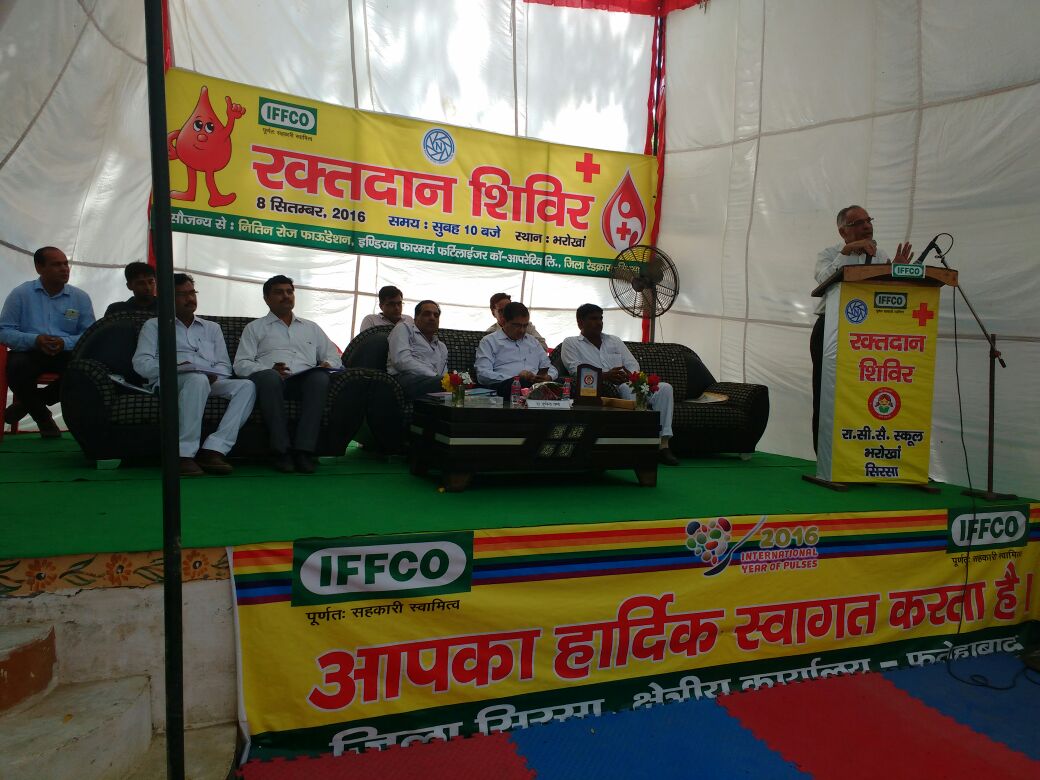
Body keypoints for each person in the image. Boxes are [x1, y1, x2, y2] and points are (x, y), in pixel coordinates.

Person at [132, 274, 256, 476]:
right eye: (182, 294)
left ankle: (214, 449)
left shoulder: (212, 328)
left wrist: (215, 376)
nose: (190, 299)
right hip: (170, 381)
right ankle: (182, 455)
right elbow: (141, 364)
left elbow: (224, 366)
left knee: (247, 386)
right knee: (196, 379)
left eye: (192, 293)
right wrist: (176, 367)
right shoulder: (154, 325)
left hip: (208, 381)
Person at [811, 206, 912, 452]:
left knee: (860, 393)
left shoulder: (880, 255)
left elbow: (886, 295)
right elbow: (823, 280)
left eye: (868, 220)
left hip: (867, 334)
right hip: (831, 329)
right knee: (827, 393)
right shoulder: (829, 254)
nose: (867, 226)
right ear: (842, 232)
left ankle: (857, 455)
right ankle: (824, 456)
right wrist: (845, 254)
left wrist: (895, 272)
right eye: (858, 223)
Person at [233, 275, 341, 474]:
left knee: (319, 378)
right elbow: (240, 364)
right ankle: (281, 451)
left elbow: (334, 357)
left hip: (303, 381)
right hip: (270, 382)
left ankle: (304, 451)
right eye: (279, 292)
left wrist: (328, 364)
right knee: (270, 378)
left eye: (289, 292)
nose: (286, 296)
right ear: (266, 298)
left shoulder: (311, 327)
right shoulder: (255, 328)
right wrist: (267, 369)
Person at [561, 303, 679, 465]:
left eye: (600, 318)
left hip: (627, 382)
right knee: (628, 390)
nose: (598, 322)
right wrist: (606, 376)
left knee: (665, 388)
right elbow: (575, 370)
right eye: (593, 319)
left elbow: (632, 363)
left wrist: (630, 376)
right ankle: (640, 445)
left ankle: (663, 445)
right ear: (580, 322)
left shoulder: (614, 341)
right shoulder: (571, 343)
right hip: (603, 387)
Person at [0, 246, 95, 437]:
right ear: (39, 268)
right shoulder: (21, 294)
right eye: (56, 264)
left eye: (65, 264)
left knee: (85, 371)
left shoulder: (80, 297)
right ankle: (43, 417)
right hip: (29, 352)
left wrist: (65, 342)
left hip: (66, 352)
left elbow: (90, 334)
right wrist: (35, 340)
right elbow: (4, 331)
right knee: (17, 367)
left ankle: (29, 405)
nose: (64, 269)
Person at [476, 301, 556, 396]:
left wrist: (548, 377)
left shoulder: (533, 342)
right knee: (521, 383)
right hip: (506, 386)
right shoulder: (489, 341)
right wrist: (516, 378)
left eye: (525, 326)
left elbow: (550, 368)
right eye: (517, 325)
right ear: (504, 322)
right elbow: (483, 374)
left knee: (562, 384)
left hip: (535, 385)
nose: (522, 330)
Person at [387, 300, 448, 399]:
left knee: (457, 383)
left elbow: (443, 373)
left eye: (436, 315)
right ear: (416, 318)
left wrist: (446, 381)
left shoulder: (442, 347)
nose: (432, 318)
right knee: (451, 384)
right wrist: (438, 378)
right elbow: (401, 361)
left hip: (434, 383)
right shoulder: (404, 328)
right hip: (406, 378)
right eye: (427, 314)